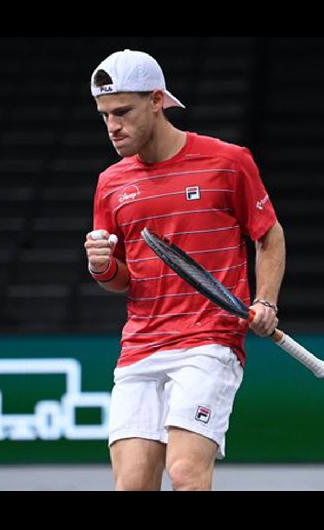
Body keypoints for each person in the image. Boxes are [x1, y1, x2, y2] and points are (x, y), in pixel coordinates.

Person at [84, 49, 286, 491]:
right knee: (132, 485)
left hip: (209, 341)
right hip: (141, 345)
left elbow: (268, 235)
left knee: (187, 474)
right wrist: (102, 268)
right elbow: (122, 279)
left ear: (157, 101)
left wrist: (266, 298)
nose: (112, 126)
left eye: (123, 112)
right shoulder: (110, 183)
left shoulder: (228, 162)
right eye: (104, 115)